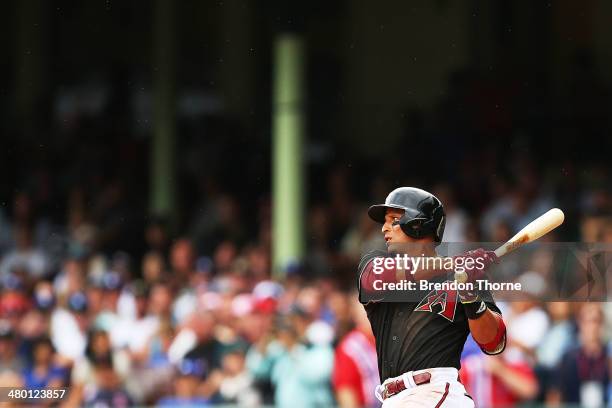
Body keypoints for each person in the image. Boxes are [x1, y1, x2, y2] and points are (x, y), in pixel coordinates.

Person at [360, 187, 506, 407]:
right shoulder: (376, 262)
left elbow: (494, 342)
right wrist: (453, 263)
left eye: (393, 220)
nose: (384, 228)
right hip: (394, 398)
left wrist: (470, 296)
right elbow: (375, 278)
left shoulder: (465, 275)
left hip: (435, 392)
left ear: (417, 223)